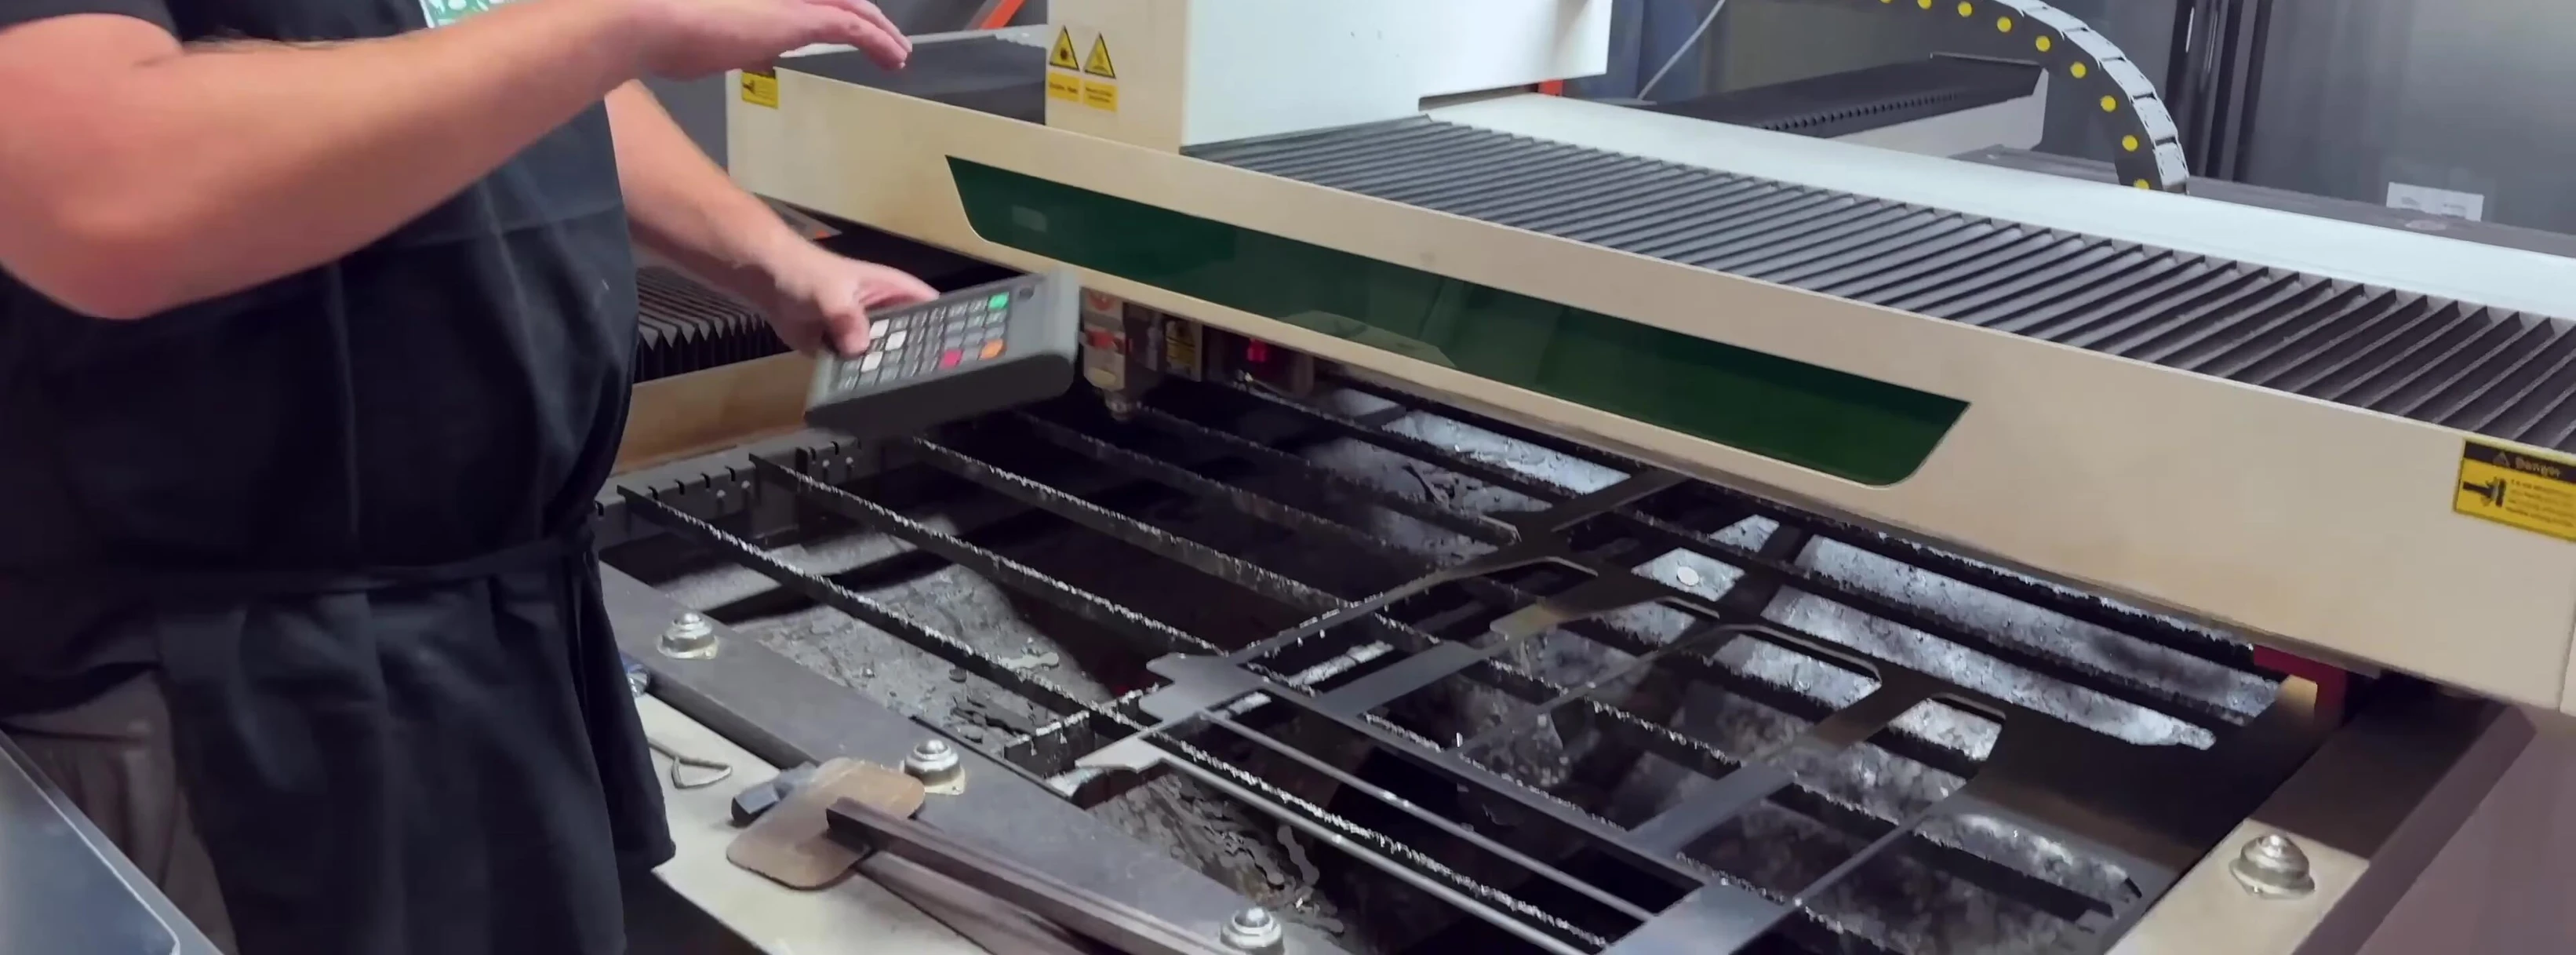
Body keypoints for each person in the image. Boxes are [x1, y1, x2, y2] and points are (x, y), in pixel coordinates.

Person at [0, 0, 940, 949]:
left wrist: (768, 256)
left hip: (493, 627)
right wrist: (625, 19)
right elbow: (101, 180)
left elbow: (522, 51)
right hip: (227, 696)